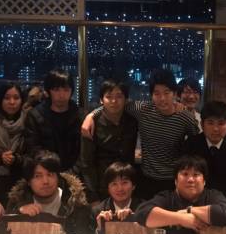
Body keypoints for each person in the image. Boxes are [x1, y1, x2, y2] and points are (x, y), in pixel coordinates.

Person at [82, 69, 199, 198]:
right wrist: (92, 115)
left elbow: (196, 147)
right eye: (157, 93)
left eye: (167, 93)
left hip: (173, 180)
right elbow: (114, 105)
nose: (162, 98)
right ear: (151, 95)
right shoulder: (143, 110)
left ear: (175, 94)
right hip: (146, 179)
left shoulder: (185, 117)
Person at [134, 155, 226, 234]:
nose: (190, 179)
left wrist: (189, 210)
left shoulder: (212, 195)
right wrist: (181, 218)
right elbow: (142, 214)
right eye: (185, 174)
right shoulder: (168, 197)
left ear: (204, 181)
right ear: (175, 181)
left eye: (196, 174)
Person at [6, 151, 95, 234]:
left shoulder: (75, 203)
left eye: (50, 174)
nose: (45, 181)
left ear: (58, 177)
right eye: (38, 176)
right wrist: (19, 215)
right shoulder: (17, 202)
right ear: (29, 181)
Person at [79, 79, 138, 200]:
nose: (114, 101)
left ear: (126, 99)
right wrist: (93, 196)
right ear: (101, 100)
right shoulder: (92, 124)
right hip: (102, 186)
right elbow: (86, 163)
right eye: (108, 97)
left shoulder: (132, 121)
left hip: (128, 186)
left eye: (119, 96)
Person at [183, 101, 226, 200]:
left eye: (221, 123)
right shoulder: (191, 145)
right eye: (210, 123)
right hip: (196, 199)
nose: (215, 129)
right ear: (202, 125)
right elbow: (186, 177)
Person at [24, 69, 81, 173]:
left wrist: (71, 173)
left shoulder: (80, 115)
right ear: (48, 90)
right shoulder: (35, 115)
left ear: (71, 91)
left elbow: (84, 152)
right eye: (56, 89)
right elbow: (33, 149)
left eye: (66, 90)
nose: (61, 95)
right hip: (46, 171)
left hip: (75, 172)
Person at [93, 162, 141, 234]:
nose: (120, 188)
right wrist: (99, 228)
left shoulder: (144, 209)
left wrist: (135, 218)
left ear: (133, 186)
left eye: (124, 182)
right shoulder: (98, 211)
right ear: (108, 188)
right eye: (114, 184)